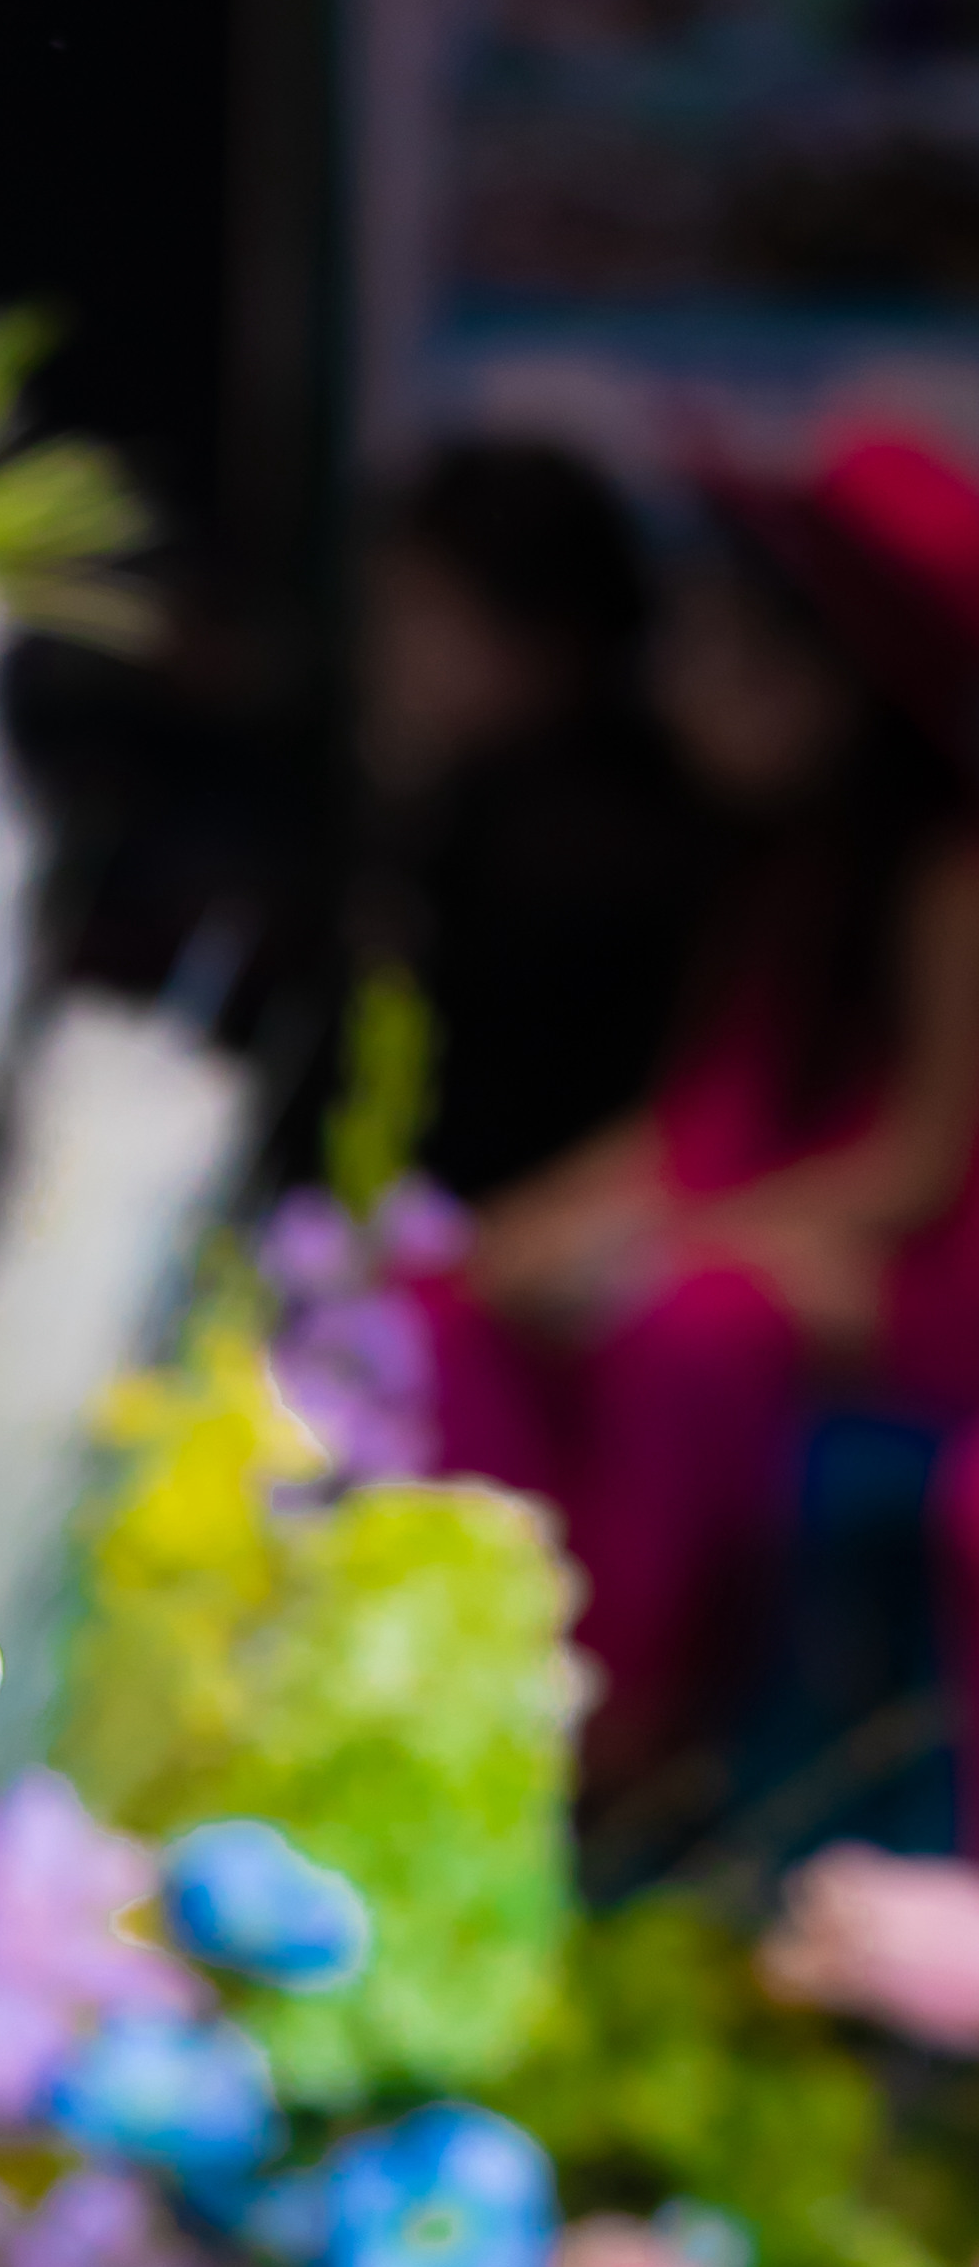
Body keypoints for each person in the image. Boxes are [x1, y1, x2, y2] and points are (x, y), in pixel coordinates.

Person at [420, 425, 979, 1796]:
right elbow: (691, 1116)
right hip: (773, 1233)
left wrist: (659, 1239)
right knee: (453, 1294)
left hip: (910, 1270)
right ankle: (487, 1682)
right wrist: (524, 1229)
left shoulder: (947, 876)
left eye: (731, 651)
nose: (681, 684)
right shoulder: (776, 870)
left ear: (837, 678)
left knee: (677, 1325)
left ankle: (632, 1730)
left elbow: (917, 1162)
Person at [355, 434, 711, 1211]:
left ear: (548, 641)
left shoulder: (581, 862)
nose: (390, 648)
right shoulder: (478, 805)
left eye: (424, 612)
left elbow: (487, 1135)